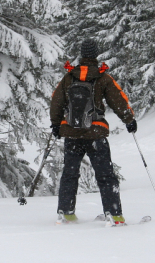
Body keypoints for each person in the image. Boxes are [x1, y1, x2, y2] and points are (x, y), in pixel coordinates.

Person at [50, 38, 137, 227]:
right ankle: (114, 215)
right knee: (105, 175)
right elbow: (118, 99)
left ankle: (65, 212)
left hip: (72, 133)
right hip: (95, 133)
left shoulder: (69, 76)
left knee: (69, 174)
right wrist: (129, 120)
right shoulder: (102, 77)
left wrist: (56, 124)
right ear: (96, 54)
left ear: (82, 54)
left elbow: (56, 101)